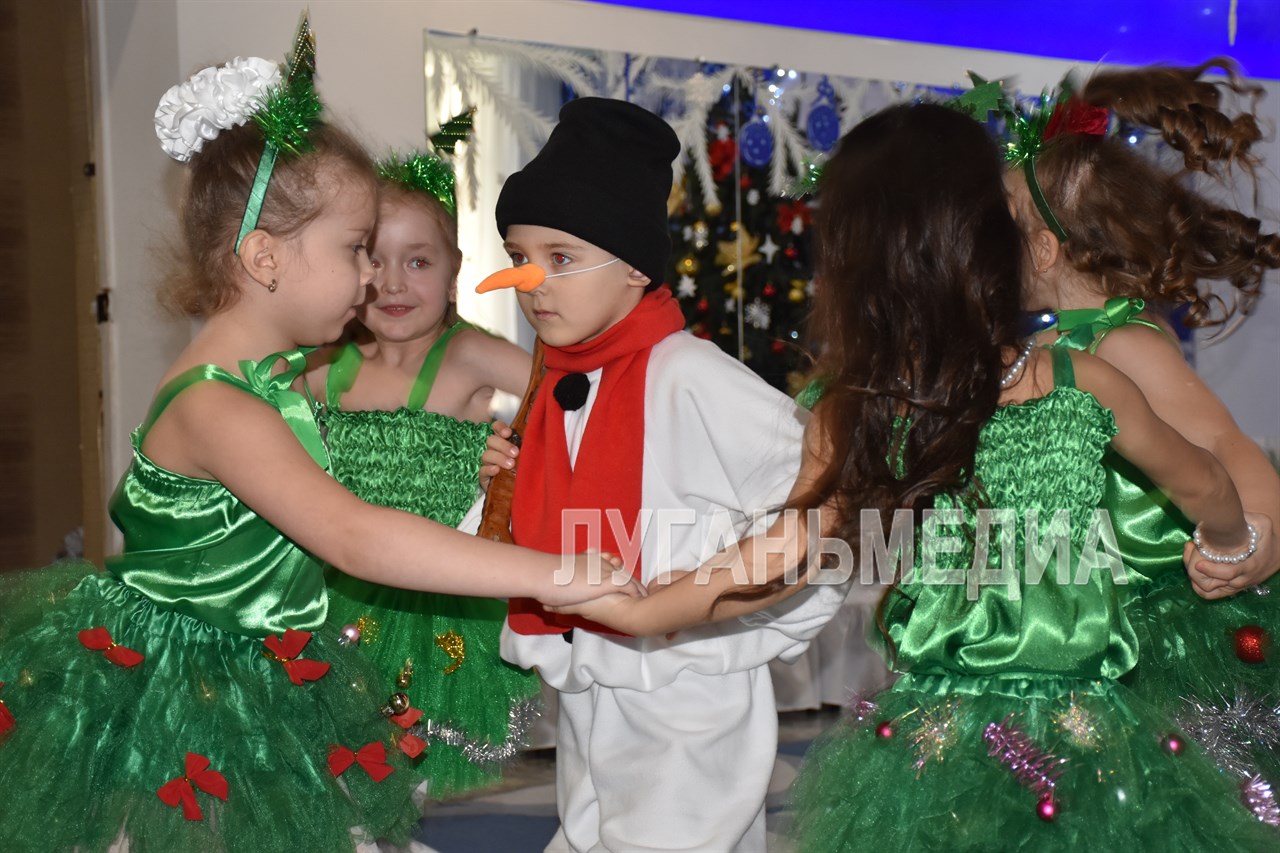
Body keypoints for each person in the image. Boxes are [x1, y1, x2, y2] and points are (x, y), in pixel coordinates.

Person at [551, 102, 1279, 850]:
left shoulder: (1024, 387)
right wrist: (1228, 538)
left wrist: (651, 609)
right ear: (994, 255)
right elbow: (1202, 482)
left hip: (1040, 736)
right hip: (989, 737)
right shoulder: (1049, 384)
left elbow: (780, 555)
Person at [0, 39, 631, 853]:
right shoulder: (219, 406)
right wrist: (554, 573)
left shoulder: (273, 380)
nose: (372, 276)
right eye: (354, 248)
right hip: (196, 698)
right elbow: (355, 535)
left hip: (262, 666)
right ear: (265, 257)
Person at [477, 96, 847, 853]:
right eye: (519, 256)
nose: (531, 280)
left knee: (673, 836)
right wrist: (506, 485)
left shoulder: (689, 373)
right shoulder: (558, 376)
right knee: (591, 828)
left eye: (561, 257)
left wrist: (712, 581)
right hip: (594, 669)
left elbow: (817, 484)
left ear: (635, 267)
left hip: (684, 677)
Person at [1002, 59, 1280, 781]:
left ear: (1043, 250)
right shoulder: (1053, 348)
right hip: (1086, 608)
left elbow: (1221, 440)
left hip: (1153, 618)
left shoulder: (1123, 341)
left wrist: (1263, 531)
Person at [305, 148, 539, 799]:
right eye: (373, 260)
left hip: (435, 603)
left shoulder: (469, 356)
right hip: (336, 599)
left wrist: (512, 461)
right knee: (336, 756)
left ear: (454, 271)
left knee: (406, 766)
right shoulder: (324, 368)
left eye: (418, 262)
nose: (394, 284)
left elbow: (571, 403)